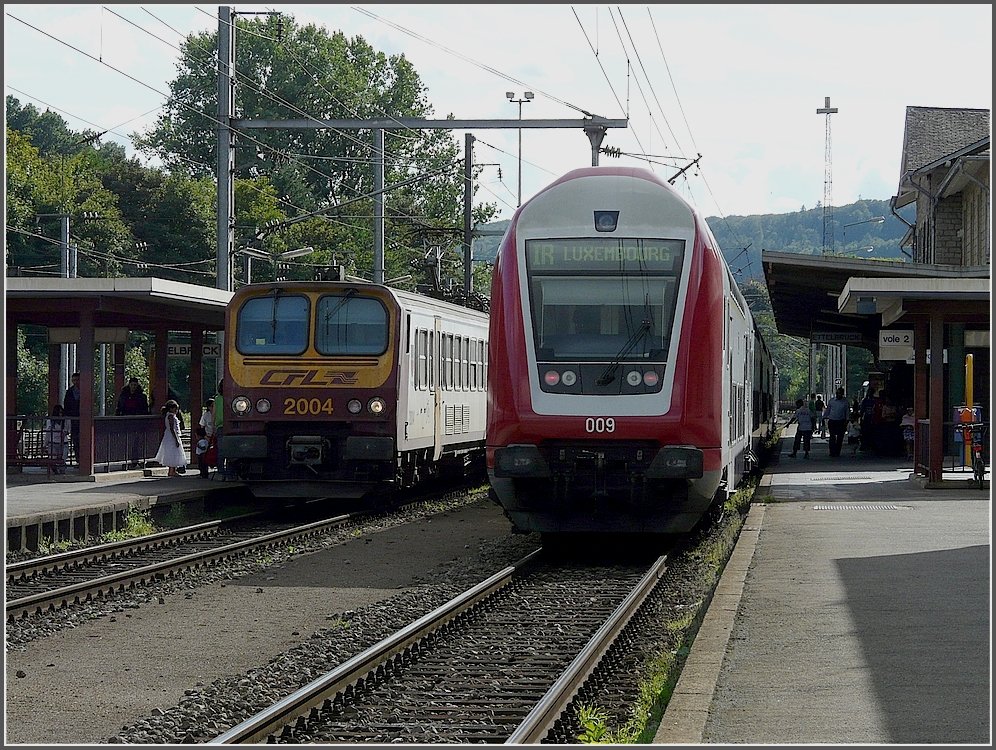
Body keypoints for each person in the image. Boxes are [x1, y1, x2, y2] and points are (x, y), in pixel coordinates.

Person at [116, 377, 151, 468]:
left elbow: (145, 409)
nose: (133, 387)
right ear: (129, 385)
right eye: (132, 385)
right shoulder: (123, 395)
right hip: (126, 422)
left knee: (138, 442)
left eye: (135, 385)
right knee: (127, 442)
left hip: (138, 422)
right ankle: (127, 460)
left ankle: (137, 459)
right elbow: (119, 407)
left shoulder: (141, 396)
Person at [153, 399, 187, 477]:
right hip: (172, 436)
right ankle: (172, 470)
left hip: (169, 436)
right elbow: (172, 428)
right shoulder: (171, 416)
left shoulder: (169, 415)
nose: (176, 410)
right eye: (174, 408)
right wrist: (176, 439)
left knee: (173, 452)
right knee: (173, 452)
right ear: (170, 408)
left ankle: (172, 470)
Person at [43, 403, 70, 474]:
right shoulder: (50, 421)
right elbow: (48, 433)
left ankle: (62, 471)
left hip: (64, 442)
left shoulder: (66, 420)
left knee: (63, 458)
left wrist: (65, 433)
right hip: (53, 442)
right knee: (52, 458)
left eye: (61, 412)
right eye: (58, 412)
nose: (60, 414)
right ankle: (55, 470)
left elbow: (69, 430)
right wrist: (44, 444)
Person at [824, 387, 851, 458]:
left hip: (841, 421)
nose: (838, 395)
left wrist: (847, 421)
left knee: (840, 437)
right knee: (832, 436)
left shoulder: (845, 402)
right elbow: (828, 410)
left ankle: (837, 451)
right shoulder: (832, 401)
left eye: (839, 393)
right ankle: (832, 451)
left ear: (842, 394)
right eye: (837, 393)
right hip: (832, 421)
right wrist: (824, 417)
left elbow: (847, 413)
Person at [62, 371, 81, 464]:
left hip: (83, 420)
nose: (75, 382)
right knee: (75, 440)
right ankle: (78, 459)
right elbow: (66, 405)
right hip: (73, 420)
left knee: (83, 440)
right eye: (73, 380)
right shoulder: (69, 392)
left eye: (77, 380)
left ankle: (83, 460)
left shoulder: (85, 391)